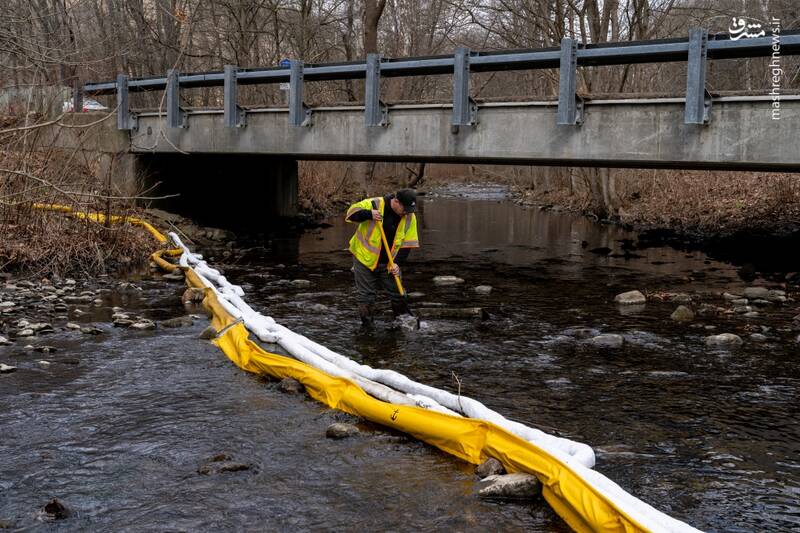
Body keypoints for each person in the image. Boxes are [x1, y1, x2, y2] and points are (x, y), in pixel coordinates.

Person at [345, 188, 420, 326]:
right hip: (364, 259)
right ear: (396, 201)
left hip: (389, 263)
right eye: (405, 209)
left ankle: (402, 323)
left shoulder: (409, 216)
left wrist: (397, 263)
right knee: (366, 297)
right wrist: (368, 214)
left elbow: (407, 244)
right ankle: (367, 328)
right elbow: (350, 214)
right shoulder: (375, 203)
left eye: (410, 210)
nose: (407, 213)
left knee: (398, 294)